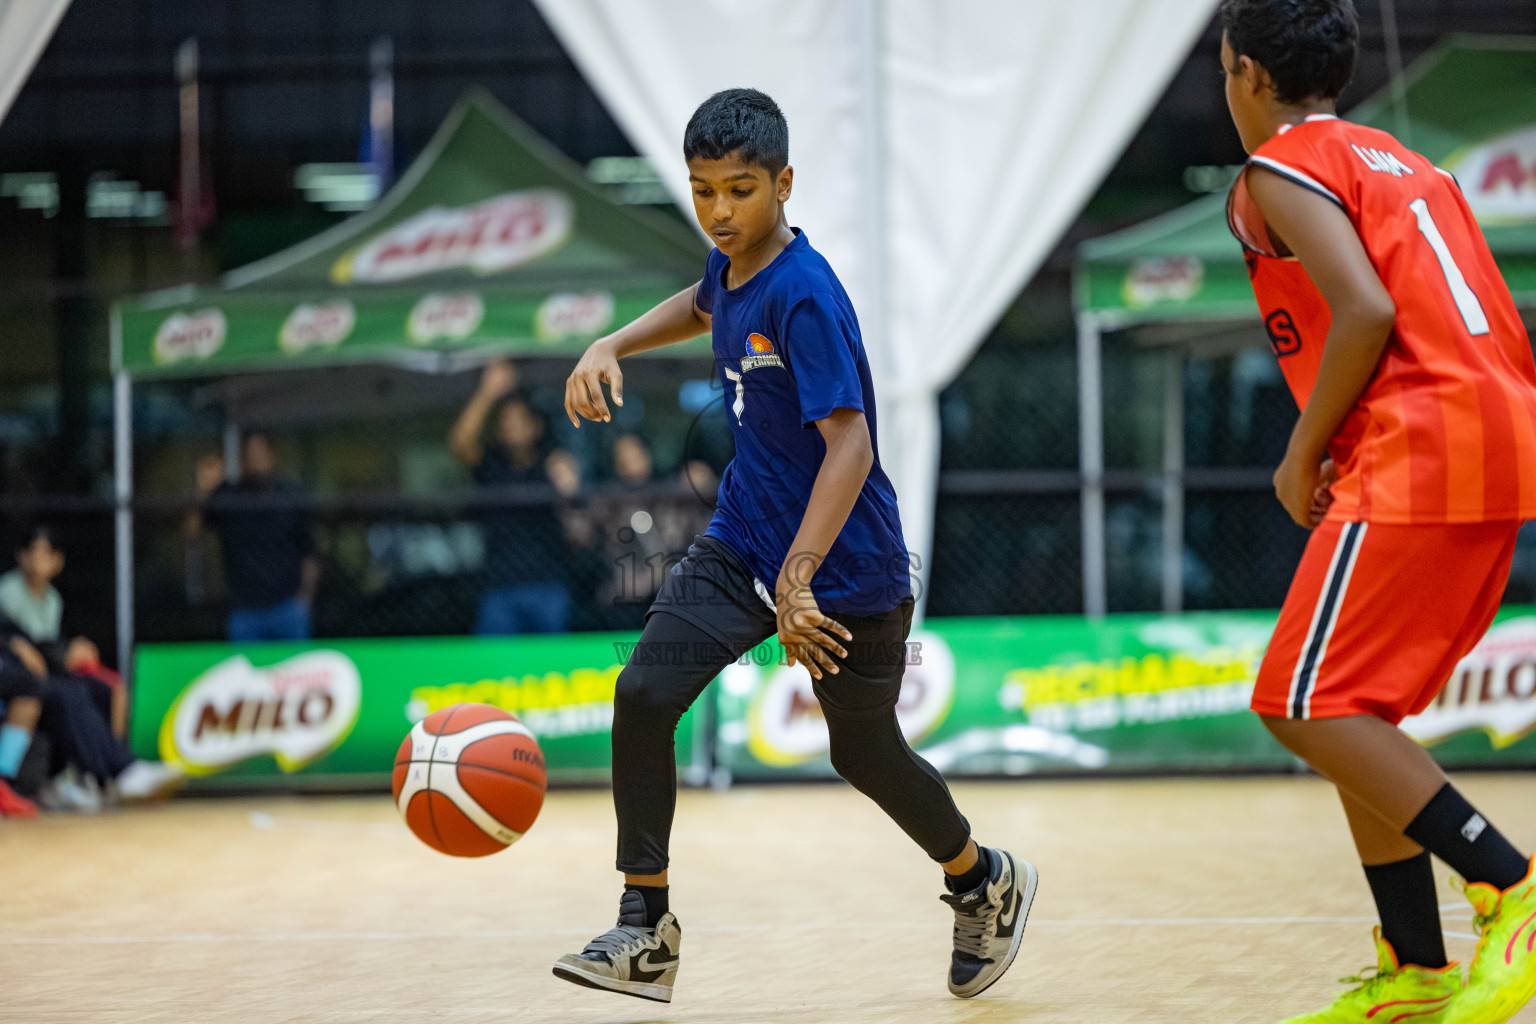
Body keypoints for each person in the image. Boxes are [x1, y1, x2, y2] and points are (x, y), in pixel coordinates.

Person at [553, 88, 1033, 1004]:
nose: (721, 212)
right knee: (646, 689)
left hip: (847, 570)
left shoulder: (804, 294)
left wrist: (802, 581)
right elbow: (701, 303)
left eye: (739, 190)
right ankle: (644, 926)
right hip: (743, 547)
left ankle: (981, 878)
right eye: (703, 192)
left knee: (863, 754)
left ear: (784, 183)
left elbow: (851, 444)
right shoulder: (733, 269)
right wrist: (611, 342)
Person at [1219, 2, 1536, 1021]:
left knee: (1298, 701)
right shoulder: (1409, 162)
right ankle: (1417, 970)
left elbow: (1364, 308)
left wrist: (1302, 448)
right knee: (1355, 710)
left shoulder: (1280, 165)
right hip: (1496, 436)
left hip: (1420, 443)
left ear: (1245, 73)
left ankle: (1513, 886)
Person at [449, 359, 576, 635]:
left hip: (548, 584)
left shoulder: (552, 464)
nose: (511, 427)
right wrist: (487, 393)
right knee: (496, 669)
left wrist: (569, 490)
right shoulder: (492, 465)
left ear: (535, 427)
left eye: (518, 421)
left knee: (550, 669)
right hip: (499, 587)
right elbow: (460, 442)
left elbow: (576, 529)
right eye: (505, 421)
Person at [191, 432, 319, 641]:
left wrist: (304, 600)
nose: (256, 461)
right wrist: (203, 490)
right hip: (244, 612)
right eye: (250, 455)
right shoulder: (227, 496)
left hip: (287, 609)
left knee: (293, 670)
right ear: (242, 460)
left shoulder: (290, 497)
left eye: (260, 454)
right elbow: (192, 531)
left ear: (272, 456)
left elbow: (310, 552)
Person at [1, 525, 127, 738]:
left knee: (110, 687)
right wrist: (63, 652)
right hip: (25, 671)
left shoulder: (53, 599)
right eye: (33, 552)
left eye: (45, 554)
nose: (37, 561)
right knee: (62, 693)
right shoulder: (8, 590)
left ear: (57, 561)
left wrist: (73, 649)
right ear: (21, 556)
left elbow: (47, 641)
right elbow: (21, 640)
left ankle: (115, 762)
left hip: (45, 670)